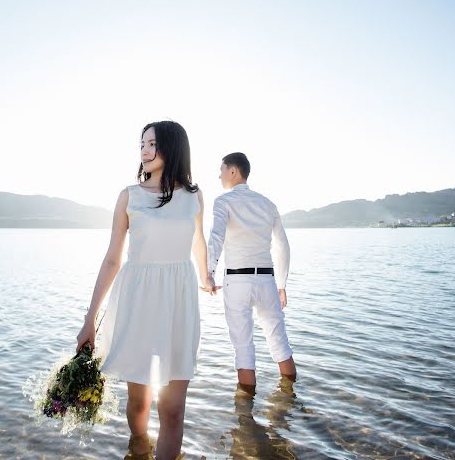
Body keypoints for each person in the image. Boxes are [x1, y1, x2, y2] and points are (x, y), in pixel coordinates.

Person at [76, 120, 207, 460]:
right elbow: (112, 260)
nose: (145, 151)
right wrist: (90, 319)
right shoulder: (129, 196)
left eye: (152, 144)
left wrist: (207, 277)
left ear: (172, 147)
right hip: (139, 302)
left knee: (174, 409)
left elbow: (198, 244)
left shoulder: (194, 197)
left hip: (180, 303)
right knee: (139, 401)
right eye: (142, 145)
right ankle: (139, 448)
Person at [205, 152, 296, 396]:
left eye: (222, 169)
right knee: (280, 342)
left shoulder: (223, 202)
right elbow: (283, 246)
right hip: (267, 279)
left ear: (233, 171)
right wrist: (282, 284)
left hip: (237, 281)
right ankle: (290, 399)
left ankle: (245, 419)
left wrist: (208, 272)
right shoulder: (268, 204)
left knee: (243, 349)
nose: (219, 174)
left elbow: (216, 237)